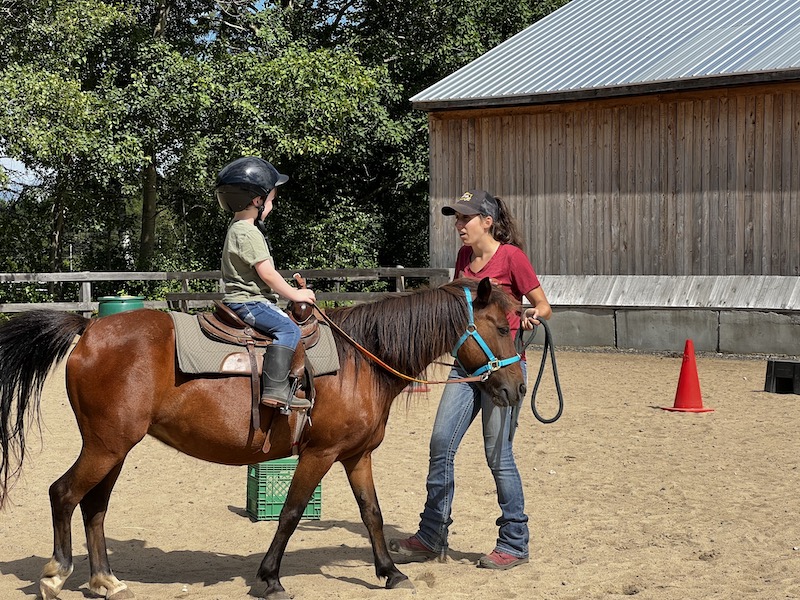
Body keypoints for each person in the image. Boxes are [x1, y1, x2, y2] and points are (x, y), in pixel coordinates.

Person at [389, 189, 552, 570]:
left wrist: (530, 313)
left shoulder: (512, 258)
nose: (459, 226)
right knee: (441, 444)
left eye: (465, 218)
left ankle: (514, 542)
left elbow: (545, 305)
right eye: (457, 219)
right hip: (467, 368)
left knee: (498, 456)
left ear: (487, 222)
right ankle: (431, 535)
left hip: (502, 369)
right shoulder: (464, 258)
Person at [215, 156, 316, 409]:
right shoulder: (248, 232)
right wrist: (295, 295)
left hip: (249, 300)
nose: (272, 205)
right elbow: (267, 273)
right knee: (289, 330)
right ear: (257, 200)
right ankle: (275, 389)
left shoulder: (238, 227)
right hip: (250, 303)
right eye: (271, 200)